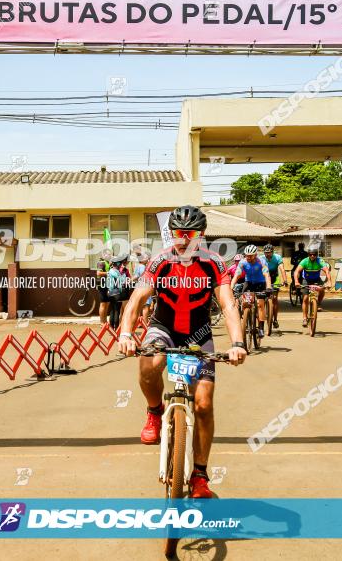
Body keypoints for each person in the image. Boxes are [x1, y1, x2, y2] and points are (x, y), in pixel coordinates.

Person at [117, 205, 247, 499]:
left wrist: (238, 343)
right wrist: (126, 334)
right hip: (163, 327)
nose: (184, 239)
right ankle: (154, 411)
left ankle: (200, 476)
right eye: (178, 233)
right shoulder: (160, 261)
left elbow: (227, 304)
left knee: (202, 404)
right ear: (171, 233)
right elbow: (136, 299)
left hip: (199, 335)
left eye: (190, 234)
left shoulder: (213, 263)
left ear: (201, 235)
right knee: (149, 365)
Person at [230, 245, 269, 337]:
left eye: (250, 256)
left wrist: (268, 287)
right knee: (245, 303)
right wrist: (231, 288)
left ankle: (261, 327)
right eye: (247, 255)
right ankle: (246, 318)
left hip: (260, 283)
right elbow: (236, 276)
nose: (248, 257)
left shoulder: (262, 262)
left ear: (255, 255)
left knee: (260, 304)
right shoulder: (243, 263)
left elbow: (267, 275)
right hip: (249, 283)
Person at [293, 246, 332, 328]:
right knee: (305, 298)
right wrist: (296, 281)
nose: (312, 256)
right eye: (310, 254)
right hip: (306, 280)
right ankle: (304, 318)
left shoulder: (320, 261)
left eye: (314, 255)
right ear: (308, 255)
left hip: (317, 279)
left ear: (316, 255)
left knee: (322, 290)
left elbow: (327, 271)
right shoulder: (304, 261)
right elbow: (297, 271)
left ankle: (318, 304)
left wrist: (329, 282)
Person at [261, 244, 287, 329]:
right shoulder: (261, 258)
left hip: (274, 278)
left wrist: (285, 280)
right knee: (261, 298)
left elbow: (282, 269)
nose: (267, 254)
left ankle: (275, 319)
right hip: (264, 278)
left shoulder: (277, 257)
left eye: (269, 253)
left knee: (275, 298)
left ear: (272, 252)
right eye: (266, 253)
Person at [106, 255, 131, 329]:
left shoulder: (110, 271)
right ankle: (116, 328)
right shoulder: (117, 273)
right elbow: (123, 282)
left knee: (112, 311)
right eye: (119, 263)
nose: (120, 264)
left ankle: (111, 328)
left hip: (110, 292)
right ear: (117, 264)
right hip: (117, 293)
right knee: (117, 311)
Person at [132, 252, 153, 322]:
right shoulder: (143, 267)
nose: (147, 259)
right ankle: (145, 322)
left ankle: (138, 322)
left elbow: (135, 276)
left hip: (138, 287)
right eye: (146, 258)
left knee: (139, 306)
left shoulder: (137, 266)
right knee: (145, 306)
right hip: (145, 287)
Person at [95, 249, 113, 326]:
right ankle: (102, 322)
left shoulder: (107, 263)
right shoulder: (101, 262)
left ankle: (105, 321)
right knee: (103, 304)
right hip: (102, 285)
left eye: (110, 254)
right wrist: (109, 273)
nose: (109, 256)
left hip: (108, 285)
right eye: (108, 254)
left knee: (107, 304)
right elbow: (98, 273)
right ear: (103, 255)